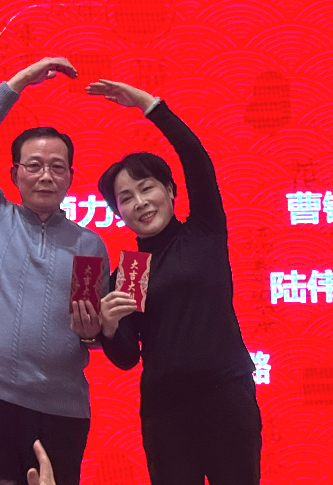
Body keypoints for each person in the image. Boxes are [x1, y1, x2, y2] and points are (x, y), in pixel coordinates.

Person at [87, 80, 262, 485]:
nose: (140, 202)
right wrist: (108, 327)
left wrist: (149, 105)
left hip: (225, 396)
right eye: (125, 198)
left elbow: (195, 157)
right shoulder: (129, 272)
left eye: (146, 188)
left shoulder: (203, 231)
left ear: (169, 190)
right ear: (118, 212)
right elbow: (127, 357)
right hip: (164, 412)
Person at [0, 57, 110, 485]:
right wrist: (20, 81)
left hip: (63, 409)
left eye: (57, 167)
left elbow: (94, 335)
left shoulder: (89, 244)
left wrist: (93, 334)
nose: (46, 176)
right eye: (34, 165)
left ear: (70, 177)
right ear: (15, 173)